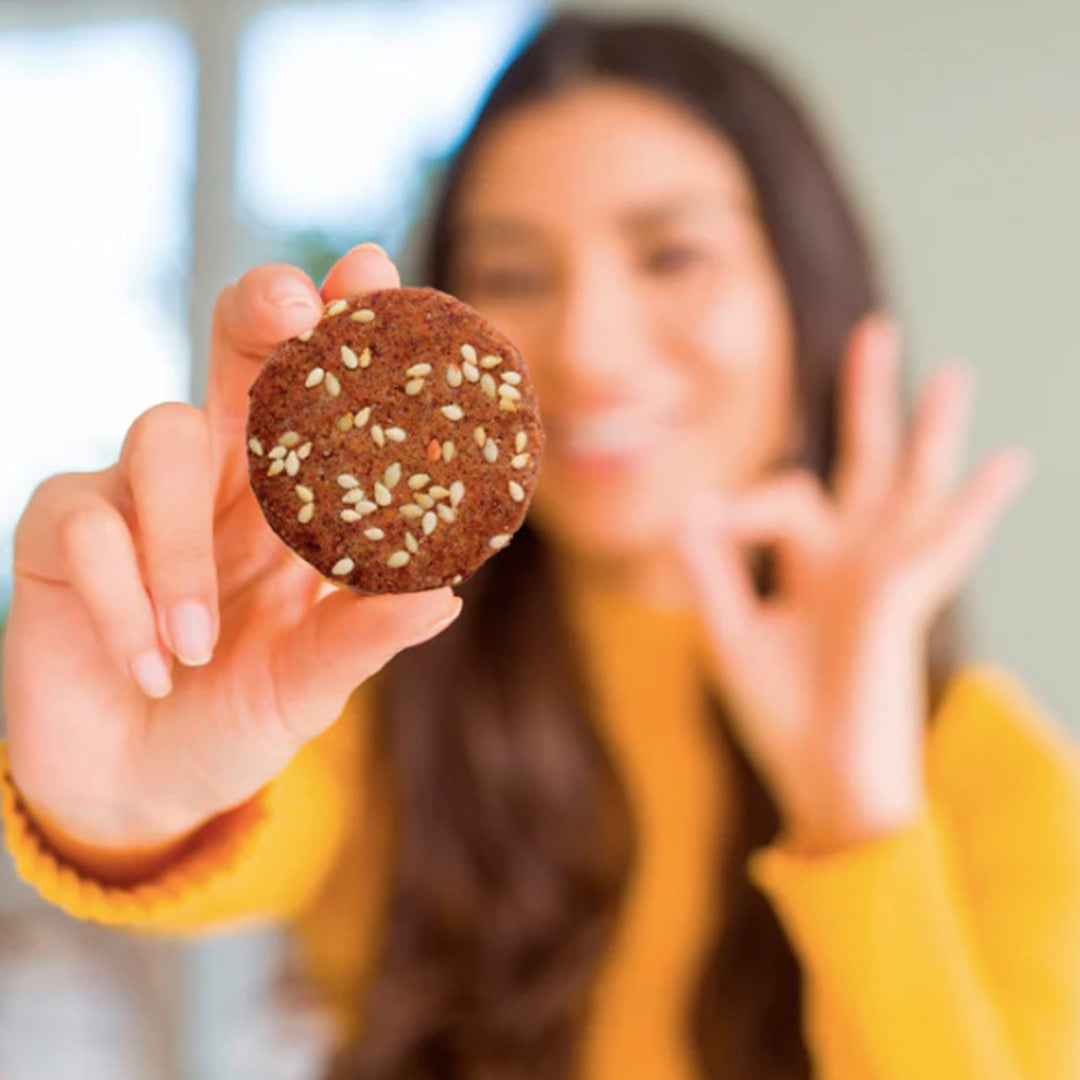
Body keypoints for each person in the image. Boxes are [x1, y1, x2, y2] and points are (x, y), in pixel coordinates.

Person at [3, 13, 1078, 1080]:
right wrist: (124, 799)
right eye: (515, 274)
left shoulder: (993, 777)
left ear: (805, 291)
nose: (593, 352)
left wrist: (861, 820)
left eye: (673, 255)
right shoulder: (368, 693)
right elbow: (218, 803)